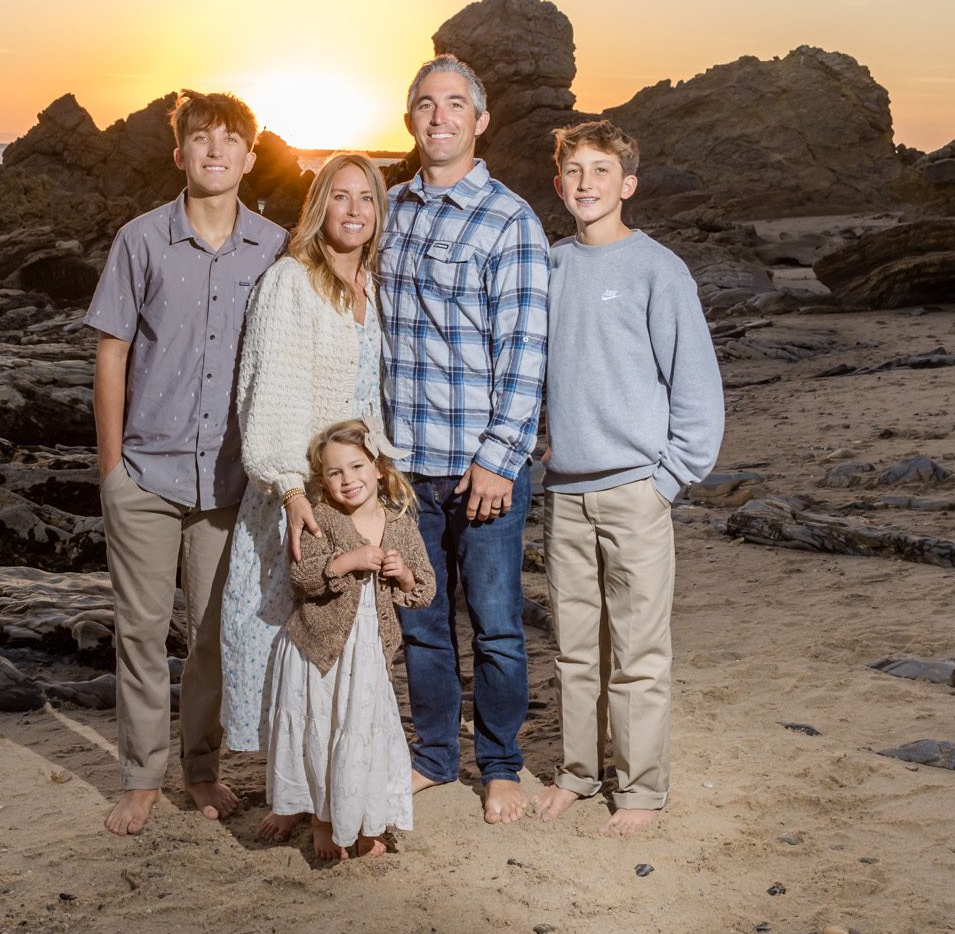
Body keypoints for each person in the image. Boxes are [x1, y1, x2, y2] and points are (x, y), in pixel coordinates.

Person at [85, 89, 286, 836]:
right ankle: (139, 775)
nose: (215, 152)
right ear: (181, 154)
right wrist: (112, 467)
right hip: (144, 473)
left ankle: (200, 769)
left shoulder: (274, 247)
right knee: (138, 628)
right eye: (202, 139)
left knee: (210, 636)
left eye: (230, 141)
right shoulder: (139, 241)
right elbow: (112, 353)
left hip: (229, 483)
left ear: (248, 157)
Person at [531, 119, 723, 836]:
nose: (586, 183)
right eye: (574, 171)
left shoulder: (658, 269)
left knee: (639, 650)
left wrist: (668, 479)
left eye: (601, 170)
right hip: (565, 494)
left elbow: (697, 390)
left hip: (637, 490)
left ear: (628, 184)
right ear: (559, 185)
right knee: (574, 649)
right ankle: (579, 773)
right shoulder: (546, 268)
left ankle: (641, 787)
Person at [375, 54, 550, 825]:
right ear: (408, 118)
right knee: (421, 622)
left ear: (481, 121)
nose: (438, 116)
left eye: (455, 104)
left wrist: (497, 461)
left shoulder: (511, 221)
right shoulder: (389, 210)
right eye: (424, 103)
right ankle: (436, 757)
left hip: (483, 473)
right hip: (405, 471)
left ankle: (502, 764)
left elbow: (525, 355)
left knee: (499, 627)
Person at [224, 154, 391, 841]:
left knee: (343, 653)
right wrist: (293, 492)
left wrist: (382, 484)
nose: (353, 210)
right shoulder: (291, 282)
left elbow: (367, 397)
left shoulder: (369, 287)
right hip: (294, 498)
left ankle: (330, 797)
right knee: (291, 653)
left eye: (367, 199)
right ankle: (295, 795)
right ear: (318, 204)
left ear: (379, 213)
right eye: (340, 196)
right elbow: (266, 396)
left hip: (354, 495)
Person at [264, 419, 436, 860]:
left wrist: (404, 574)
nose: (348, 479)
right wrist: (346, 562)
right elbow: (301, 578)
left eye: (357, 466)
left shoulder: (400, 525)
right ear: (322, 480)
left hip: (368, 652)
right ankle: (323, 819)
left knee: (362, 731)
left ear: (378, 469)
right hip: (318, 649)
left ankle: (365, 819)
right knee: (321, 731)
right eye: (335, 472)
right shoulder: (321, 518)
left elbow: (425, 590)